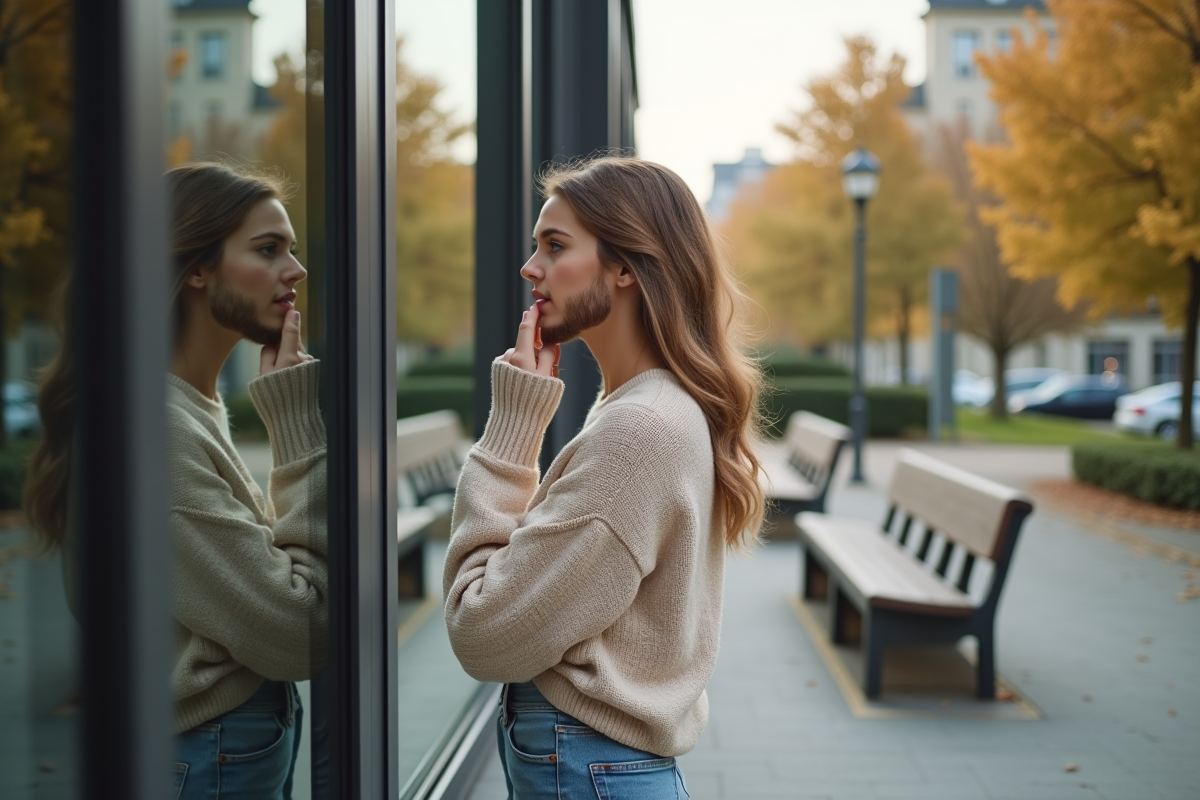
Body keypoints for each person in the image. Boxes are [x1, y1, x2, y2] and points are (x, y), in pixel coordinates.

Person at [443, 156, 765, 799]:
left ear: (625, 266)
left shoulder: (637, 432)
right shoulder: (649, 406)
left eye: (555, 246)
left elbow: (483, 633)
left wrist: (512, 429)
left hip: (589, 768)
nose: (530, 268)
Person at [24, 162, 328, 799]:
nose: (295, 271)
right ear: (196, 268)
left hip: (205, 746)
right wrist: (297, 429)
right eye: (268, 249)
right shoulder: (153, 428)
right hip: (205, 751)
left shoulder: (179, 407)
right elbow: (298, 633)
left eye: (292, 250)